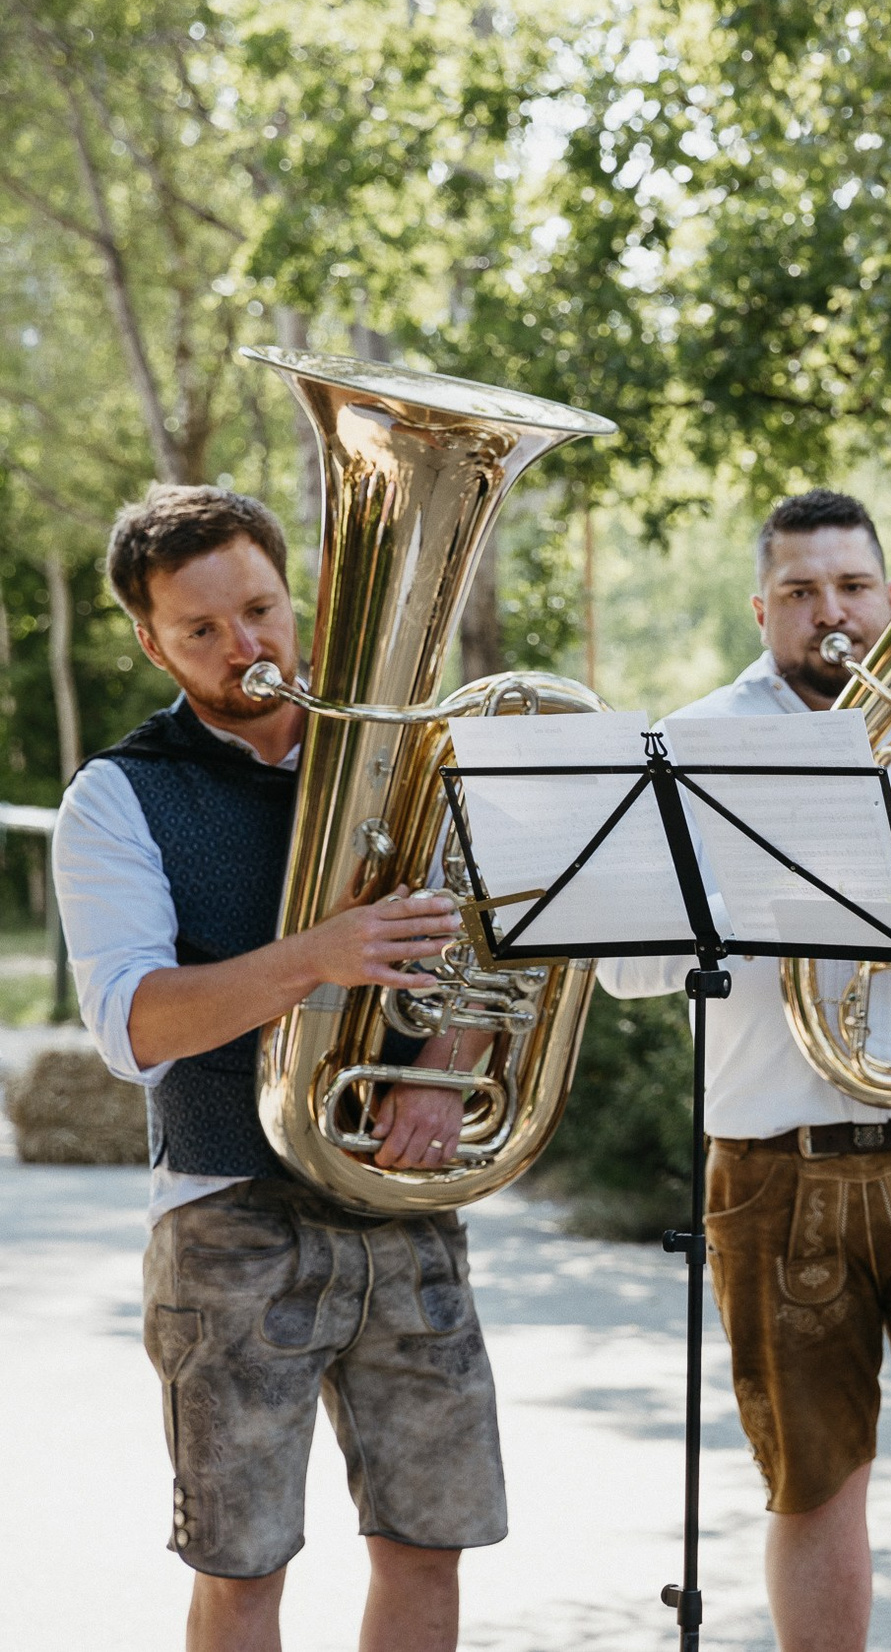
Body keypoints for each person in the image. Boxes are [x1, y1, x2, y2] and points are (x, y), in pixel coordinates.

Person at [593, 489, 891, 1652]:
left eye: (853, 587)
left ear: (890, 596)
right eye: (802, 593)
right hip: (773, 1166)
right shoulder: (696, 740)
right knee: (811, 1487)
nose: (832, 613)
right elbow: (622, 971)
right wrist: (757, 903)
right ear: (763, 608)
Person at [53, 485, 507, 1652]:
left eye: (259, 609)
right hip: (226, 1214)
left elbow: (493, 947)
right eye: (201, 629)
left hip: (400, 1201)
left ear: (291, 593)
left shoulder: (407, 754)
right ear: (150, 640)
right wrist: (318, 956)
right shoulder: (115, 795)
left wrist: (440, 1071)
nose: (244, 647)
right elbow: (131, 1023)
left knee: (427, 1542)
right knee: (244, 1566)